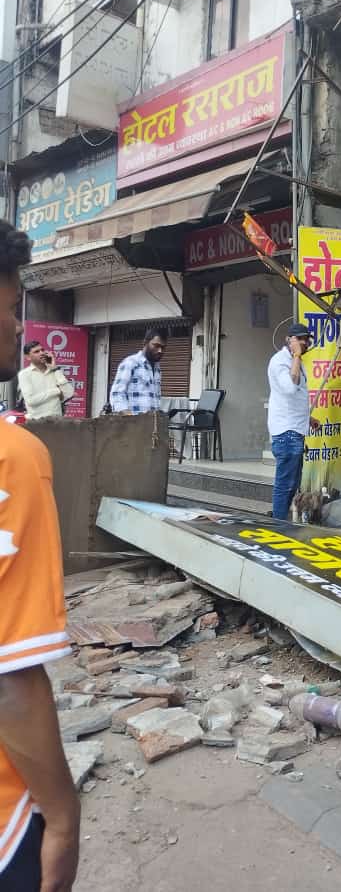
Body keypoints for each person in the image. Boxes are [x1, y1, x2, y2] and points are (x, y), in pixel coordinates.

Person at [0, 221, 80, 889]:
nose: (20, 328)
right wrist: (62, 816)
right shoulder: (15, 463)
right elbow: (11, 678)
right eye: (11, 305)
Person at [267, 323, 320, 519]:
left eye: (306, 339)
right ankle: (278, 527)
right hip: (286, 434)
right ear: (289, 340)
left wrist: (308, 418)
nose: (305, 343)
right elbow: (290, 388)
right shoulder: (280, 361)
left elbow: (294, 397)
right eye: (300, 339)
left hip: (295, 431)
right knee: (285, 485)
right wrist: (296, 356)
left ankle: (281, 523)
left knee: (292, 484)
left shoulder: (294, 361)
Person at [109, 328, 166, 415]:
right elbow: (117, 393)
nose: (160, 351)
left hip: (151, 423)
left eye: (163, 347)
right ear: (145, 343)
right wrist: (128, 416)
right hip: (133, 424)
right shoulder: (130, 363)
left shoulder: (157, 369)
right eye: (156, 346)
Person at [17, 341, 74, 420]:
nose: (42, 353)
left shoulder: (54, 371)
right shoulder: (24, 374)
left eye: (42, 350)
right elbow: (31, 401)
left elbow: (69, 393)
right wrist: (56, 391)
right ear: (28, 357)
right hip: (36, 423)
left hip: (57, 422)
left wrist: (55, 368)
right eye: (36, 352)